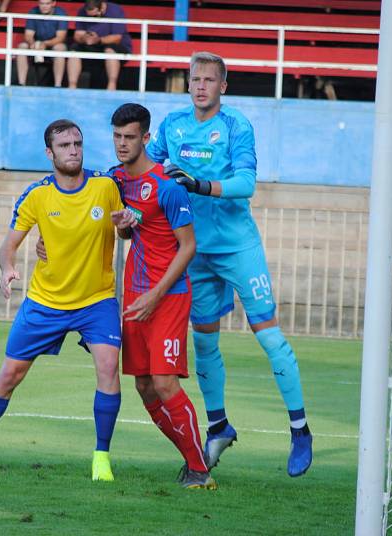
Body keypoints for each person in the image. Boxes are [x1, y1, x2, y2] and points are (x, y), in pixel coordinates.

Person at [147, 52, 314, 478]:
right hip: (195, 252)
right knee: (204, 342)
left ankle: (299, 430)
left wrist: (197, 183)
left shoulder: (236, 126)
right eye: (194, 79)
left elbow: (246, 185)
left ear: (223, 86)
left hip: (238, 248)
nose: (200, 86)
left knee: (270, 338)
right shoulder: (171, 126)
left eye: (208, 80)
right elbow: (145, 170)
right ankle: (219, 425)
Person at [0, 119, 132, 482]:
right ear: (50, 153)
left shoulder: (106, 186)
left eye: (77, 143)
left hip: (97, 300)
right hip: (45, 301)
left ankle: (101, 458)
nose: (73, 150)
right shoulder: (37, 195)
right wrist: (7, 269)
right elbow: (7, 246)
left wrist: (125, 224)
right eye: (64, 145)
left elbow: (124, 228)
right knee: (9, 375)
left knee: (108, 369)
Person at [109, 103, 216, 490]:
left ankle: (199, 470)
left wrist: (156, 294)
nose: (122, 144)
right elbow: (129, 234)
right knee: (143, 386)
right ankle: (194, 460)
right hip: (136, 295)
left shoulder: (168, 185)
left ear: (146, 138)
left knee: (165, 381)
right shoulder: (117, 181)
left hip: (168, 295)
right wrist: (123, 227)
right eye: (117, 136)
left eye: (130, 137)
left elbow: (188, 246)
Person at [67, 0, 132, 91]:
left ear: (102, 8)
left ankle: (111, 87)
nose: (92, 18)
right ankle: (71, 88)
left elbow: (117, 38)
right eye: (89, 17)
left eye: (95, 16)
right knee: (74, 50)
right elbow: (77, 35)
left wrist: (99, 40)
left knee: (110, 50)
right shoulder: (82, 11)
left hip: (113, 44)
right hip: (91, 44)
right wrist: (84, 38)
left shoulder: (115, 10)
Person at [16, 0, 69, 87]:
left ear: (53, 3)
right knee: (22, 47)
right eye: (42, 3)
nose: (44, 6)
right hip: (37, 44)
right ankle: (21, 83)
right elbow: (28, 35)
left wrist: (45, 44)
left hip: (53, 44)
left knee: (60, 48)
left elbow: (60, 37)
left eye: (47, 3)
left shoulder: (61, 13)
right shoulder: (33, 12)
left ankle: (58, 85)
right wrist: (33, 43)